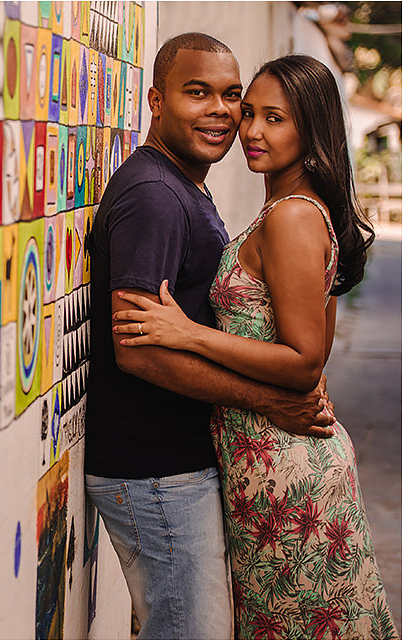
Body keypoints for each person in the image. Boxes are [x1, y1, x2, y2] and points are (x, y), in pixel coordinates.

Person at [114, 54, 398, 639]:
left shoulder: (291, 217)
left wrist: (190, 334)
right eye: (250, 115)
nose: (251, 132)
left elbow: (304, 360)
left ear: (312, 129)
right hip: (266, 460)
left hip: (285, 470)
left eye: (276, 118)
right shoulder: (294, 209)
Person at [83, 34, 338, 640]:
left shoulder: (185, 187)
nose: (223, 113)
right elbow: (140, 352)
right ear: (155, 100)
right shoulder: (154, 196)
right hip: (155, 471)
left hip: (181, 467)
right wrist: (267, 398)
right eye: (197, 93)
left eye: (234, 98)